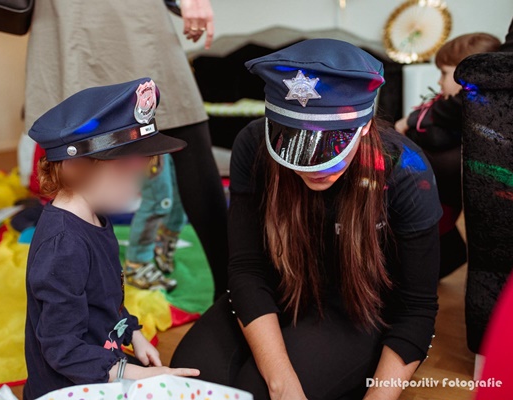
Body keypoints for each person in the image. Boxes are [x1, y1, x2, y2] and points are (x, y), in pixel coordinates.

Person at [171, 39, 443, 400]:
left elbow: (417, 309)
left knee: (255, 393)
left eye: (332, 147)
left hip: (355, 312)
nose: (315, 168)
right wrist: (282, 381)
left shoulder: (406, 171)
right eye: (294, 145)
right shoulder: (253, 145)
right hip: (275, 291)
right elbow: (247, 269)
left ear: (364, 126)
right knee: (184, 388)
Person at [24, 0, 228, 299]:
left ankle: (233, 293)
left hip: (130, 13)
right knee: (74, 143)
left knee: (184, 124)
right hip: (68, 15)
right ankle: (83, 304)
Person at [23, 78, 200, 399]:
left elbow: (105, 299)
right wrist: (131, 373)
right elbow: (61, 347)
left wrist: (134, 334)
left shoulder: (95, 217)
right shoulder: (64, 246)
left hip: (100, 365)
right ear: (77, 167)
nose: (139, 186)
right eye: (126, 173)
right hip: (68, 388)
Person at [395, 33, 501, 278]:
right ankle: (446, 248)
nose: (440, 82)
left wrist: (408, 123)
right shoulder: (450, 110)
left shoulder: (477, 101)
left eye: (444, 73)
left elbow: (455, 107)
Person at [125, 153, 186, 291]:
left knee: (182, 191)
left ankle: (162, 243)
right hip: (151, 136)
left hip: (173, 135)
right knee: (159, 200)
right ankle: (136, 265)